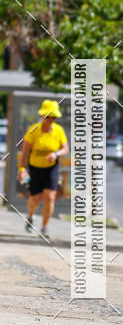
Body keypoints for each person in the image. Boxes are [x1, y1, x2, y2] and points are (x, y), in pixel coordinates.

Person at [19, 99, 69, 240]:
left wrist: (56, 154)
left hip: (52, 168)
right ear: (42, 116)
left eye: (54, 117)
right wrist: (22, 169)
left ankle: (45, 227)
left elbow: (65, 148)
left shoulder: (59, 131)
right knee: (35, 198)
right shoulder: (33, 130)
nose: (51, 120)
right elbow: (24, 152)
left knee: (49, 196)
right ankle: (30, 216)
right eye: (48, 117)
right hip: (35, 168)